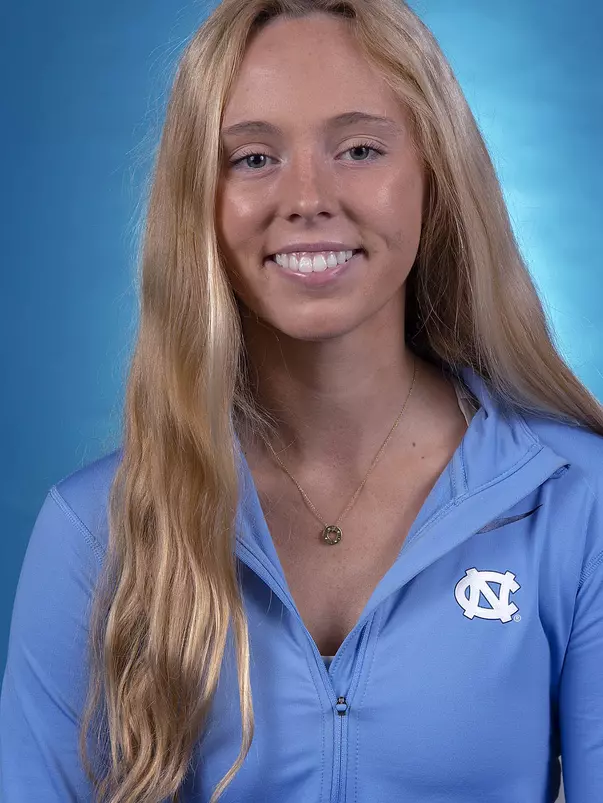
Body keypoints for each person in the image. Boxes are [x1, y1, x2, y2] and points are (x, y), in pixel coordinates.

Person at [0, 0, 600, 800]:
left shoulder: (573, 498)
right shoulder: (95, 531)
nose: (308, 196)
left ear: (433, 176)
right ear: (199, 198)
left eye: (359, 149)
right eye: (253, 157)